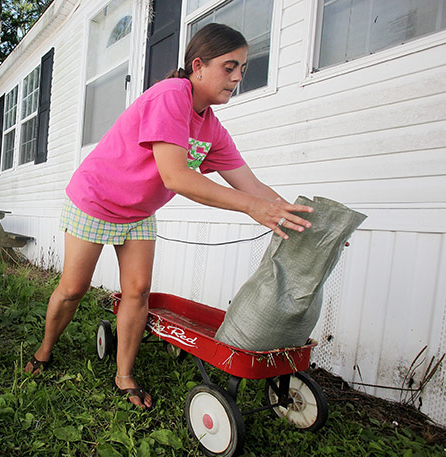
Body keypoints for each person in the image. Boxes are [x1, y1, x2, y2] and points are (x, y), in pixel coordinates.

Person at [24, 23, 313, 409]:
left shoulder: (211, 127)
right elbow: (176, 176)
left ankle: (124, 375)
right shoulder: (170, 97)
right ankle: (44, 350)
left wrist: (305, 224)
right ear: (198, 65)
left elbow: (252, 186)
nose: (238, 77)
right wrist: (251, 208)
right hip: (95, 197)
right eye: (230, 67)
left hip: (138, 212)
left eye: (242, 68)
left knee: (139, 290)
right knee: (74, 288)